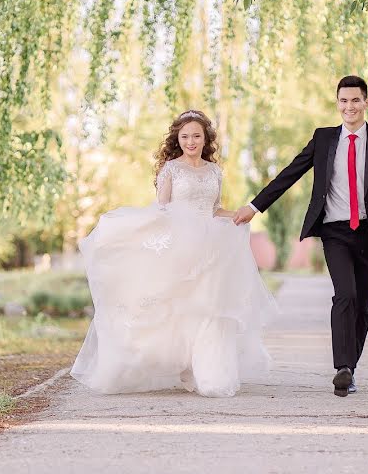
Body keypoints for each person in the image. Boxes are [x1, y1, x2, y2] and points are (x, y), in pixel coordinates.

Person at [71, 109, 277, 398]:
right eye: (185, 136)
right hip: (179, 246)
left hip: (211, 247)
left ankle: (207, 371)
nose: (190, 141)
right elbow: (162, 209)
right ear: (176, 139)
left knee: (210, 306)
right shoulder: (171, 170)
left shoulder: (214, 171)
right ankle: (180, 363)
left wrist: (238, 216)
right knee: (180, 306)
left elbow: (214, 209)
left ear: (206, 139)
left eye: (196, 136)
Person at [233, 75, 368, 397]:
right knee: (344, 294)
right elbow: (289, 173)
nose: (349, 107)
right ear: (337, 103)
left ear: (366, 102)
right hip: (335, 231)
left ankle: (351, 367)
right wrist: (254, 206)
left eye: (355, 100)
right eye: (343, 101)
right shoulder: (324, 139)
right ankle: (342, 368)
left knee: (362, 305)